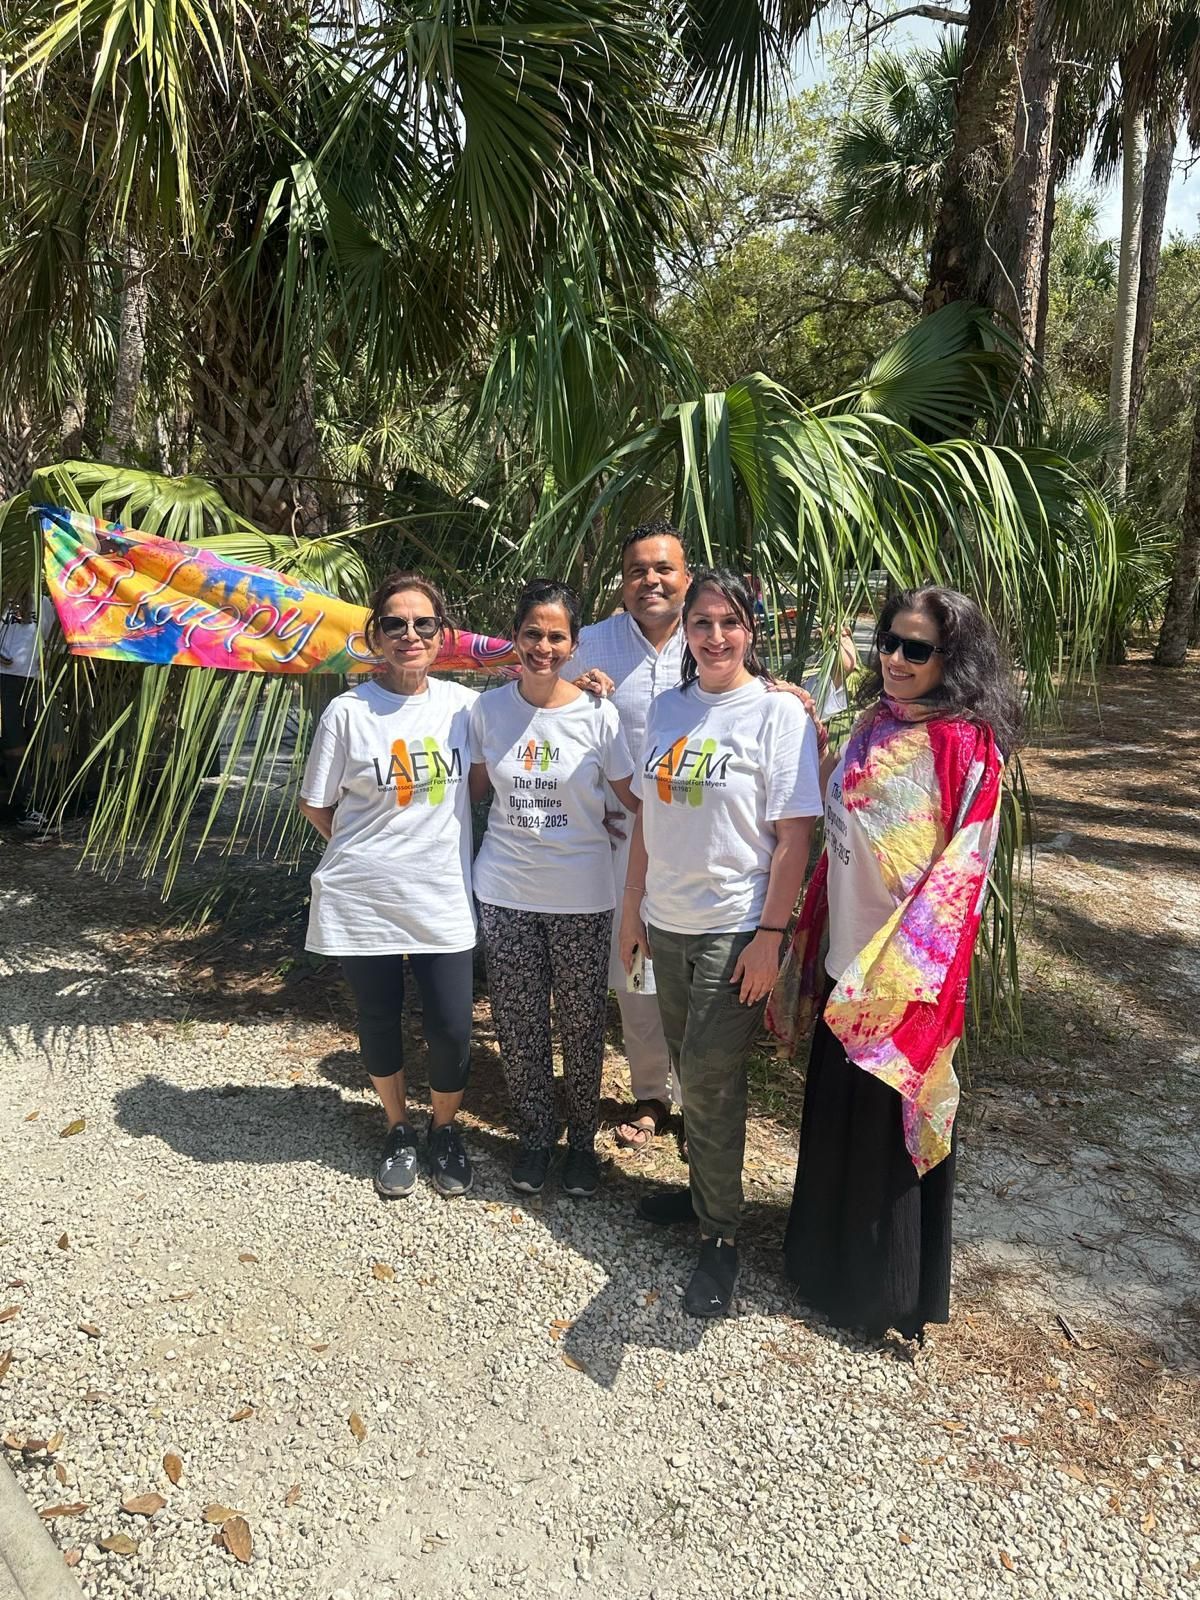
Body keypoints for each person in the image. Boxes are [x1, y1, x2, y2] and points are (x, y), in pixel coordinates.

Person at [767, 585, 1020, 1340]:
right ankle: (819, 1264)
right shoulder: (873, 724)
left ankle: (880, 1292)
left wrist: (902, 970)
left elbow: (965, 868)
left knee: (886, 1127)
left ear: (953, 658)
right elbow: (831, 815)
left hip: (905, 975)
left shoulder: (966, 745)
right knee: (837, 1118)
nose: (897, 660)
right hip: (848, 954)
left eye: (918, 649)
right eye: (890, 643)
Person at [619, 569, 822, 1318]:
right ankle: (702, 1191)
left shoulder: (776, 715)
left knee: (708, 1071)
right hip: (666, 919)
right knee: (685, 1063)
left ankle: (722, 1237)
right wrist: (632, 910)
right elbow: (647, 816)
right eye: (701, 622)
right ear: (686, 630)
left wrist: (771, 936)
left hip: (736, 924)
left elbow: (793, 835)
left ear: (752, 630)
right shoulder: (668, 708)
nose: (713, 636)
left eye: (729, 622)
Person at [299, 572, 478, 1200]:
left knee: (453, 1023)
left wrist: (593, 688)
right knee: (379, 1016)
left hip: (442, 895)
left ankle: (445, 1129)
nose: (409, 634)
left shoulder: (463, 706)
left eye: (422, 623)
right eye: (395, 624)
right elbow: (316, 804)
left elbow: (537, 710)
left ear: (441, 634)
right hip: (364, 897)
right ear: (375, 635)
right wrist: (363, 854)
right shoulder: (349, 712)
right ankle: (400, 1127)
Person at [470, 579, 637, 1199]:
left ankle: (583, 1145)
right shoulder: (487, 710)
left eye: (556, 635)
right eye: (532, 633)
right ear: (515, 637)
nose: (544, 646)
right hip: (506, 891)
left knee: (582, 1023)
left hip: (583, 897)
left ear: (574, 643)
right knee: (517, 1023)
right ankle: (537, 1137)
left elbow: (632, 796)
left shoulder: (599, 713)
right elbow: (472, 794)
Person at [568, 521, 689, 1151]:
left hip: (695, 840)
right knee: (635, 972)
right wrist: (576, 691)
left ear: (685, 577)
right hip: (617, 840)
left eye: (663, 569)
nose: (652, 581)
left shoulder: (710, 638)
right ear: (623, 582)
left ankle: (702, 1104)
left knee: (695, 975)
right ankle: (651, 1094)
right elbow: (536, 695)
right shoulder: (591, 643)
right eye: (638, 570)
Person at [0, 591, 56, 832]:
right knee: (14, 747)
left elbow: (51, 638)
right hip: (6, 680)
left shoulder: (42, 602)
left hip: (37, 681)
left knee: (47, 743)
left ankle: (42, 805)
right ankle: (24, 807)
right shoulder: (3, 600)